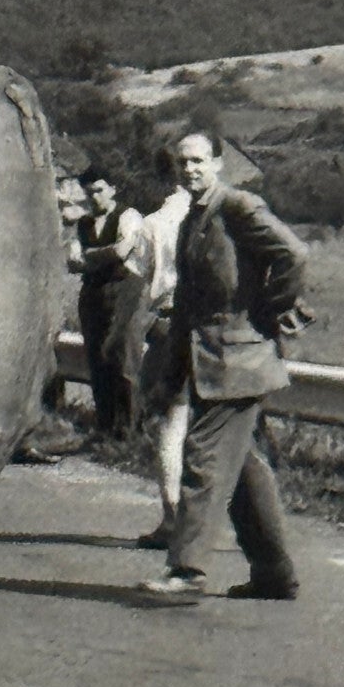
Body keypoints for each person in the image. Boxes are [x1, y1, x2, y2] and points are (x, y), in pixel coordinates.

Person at [140, 131, 309, 601]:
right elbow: (190, 307)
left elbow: (294, 254)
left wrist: (269, 310)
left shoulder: (238, 207)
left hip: (240, 357)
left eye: (197, 161)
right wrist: (170, 375)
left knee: (204, 454)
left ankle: (186, 570)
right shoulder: (192, 219)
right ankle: (274, 575)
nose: (189, 169)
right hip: (213, 359)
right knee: (244, 468)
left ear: (217, 163)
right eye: (181, 162)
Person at [134, 153, 192, 548]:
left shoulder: (154, 224)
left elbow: (141, 277)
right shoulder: (215, 219)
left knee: (170, 426)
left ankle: (173, 519)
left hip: (171, 325)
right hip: (213, 328)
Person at [71, 166, 149, 438]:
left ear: (113, 189)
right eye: (89, 192)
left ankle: (130, 431)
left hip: (124, 291)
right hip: (93, 293)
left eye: (100, 191)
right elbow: (71, 261)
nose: (94, 197)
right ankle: (105, 428)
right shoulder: (84, 223)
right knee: (97, 358)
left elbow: (122, 250)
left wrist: (89, 256)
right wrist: (100, 255)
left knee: (124, 358)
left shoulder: (128, 216)